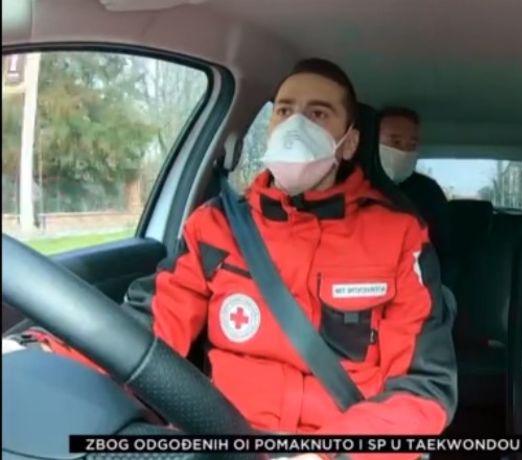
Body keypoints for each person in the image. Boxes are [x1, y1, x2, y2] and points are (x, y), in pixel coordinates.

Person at [4, 58, 457, 460]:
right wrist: (38, 351)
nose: (296, 125)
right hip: (222, 442)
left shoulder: (399, 236)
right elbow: (143, 330)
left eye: (318, 114)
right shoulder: (217, 226)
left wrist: (330, 454)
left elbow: (424, 388)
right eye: (284, 111)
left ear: (350, 142)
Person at [378, 107, 454, 286]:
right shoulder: (352, 185)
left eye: (412, 145)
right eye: (395, 142)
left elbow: (443, 251)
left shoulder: (428, 192)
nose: (404, 151)